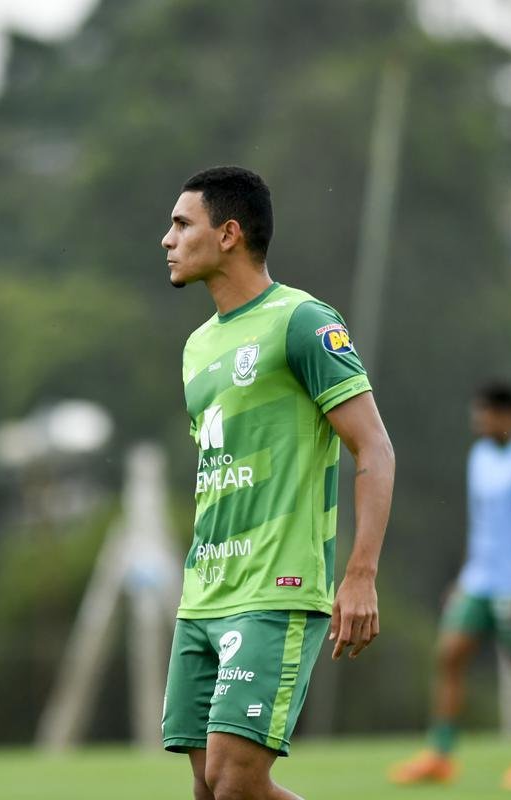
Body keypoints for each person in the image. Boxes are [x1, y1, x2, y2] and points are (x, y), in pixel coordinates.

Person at [160, 166, 395, 800]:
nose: (167, 239)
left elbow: (372, 445)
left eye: (182, 224)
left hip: (276, 586)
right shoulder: (196, 348)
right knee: (210, 790)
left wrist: (360, 573)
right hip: (205, 591)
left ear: (229, 233)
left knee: (237, 783)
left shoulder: (303, 322)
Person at [389, 382, 511, 791]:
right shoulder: (479, 456)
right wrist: (466, 576)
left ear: (507, 416)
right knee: (449, 654)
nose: (478, 423)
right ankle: (440, 755)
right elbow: (484, 523)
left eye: (484, 415)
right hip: (480, 581)